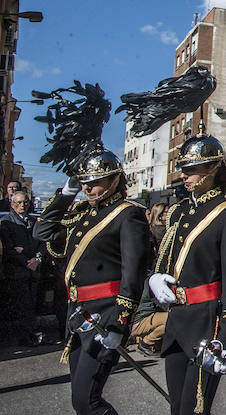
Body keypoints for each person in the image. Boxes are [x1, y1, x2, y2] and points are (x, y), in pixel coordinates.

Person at [33, 148, 150, 415]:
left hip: (105, 313)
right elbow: (43, 231)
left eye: (95, 181)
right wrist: (66, 193)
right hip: (77, 312)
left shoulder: (127, 214)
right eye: (84, 181)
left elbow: (132, 272)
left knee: (87, 400)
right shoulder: (83, 213)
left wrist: (120, 324)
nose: (88, 187)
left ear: (113, 180)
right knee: (81, 397)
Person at [150, 125, 226, 415]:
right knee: (176, 407)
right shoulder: (179, 212)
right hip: (178, 320)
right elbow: (168, 260)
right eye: (184, 167)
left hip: (209, 322)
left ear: (211, 170)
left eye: (192, 168)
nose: (184, 174)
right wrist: (155, 279)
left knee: (193, 410)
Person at [0, 190, 42, 345]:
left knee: (33, 306)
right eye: (18, 202)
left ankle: (33, 335)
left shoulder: (33, 221)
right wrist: (26, 261)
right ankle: (25, 338)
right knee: (21, 307)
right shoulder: (6, 222)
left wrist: (37, 259)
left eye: (25, 202)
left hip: (34, 272)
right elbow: (8, 249)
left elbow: (41, 243)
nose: (22, 205)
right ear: (12, 204)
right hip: (17, 272)